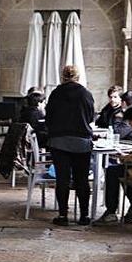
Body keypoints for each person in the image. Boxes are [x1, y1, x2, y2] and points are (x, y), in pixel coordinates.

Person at [45, 65, 96, 226]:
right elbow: (90, 117)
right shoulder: (85, 93)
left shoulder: (56, 93)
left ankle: (62, 216)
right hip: (81, 142)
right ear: (78, 76)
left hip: (59, 141)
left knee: (62, 179)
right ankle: (84, 216)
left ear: (63, 76)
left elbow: (49, 117)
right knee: (82, 179)